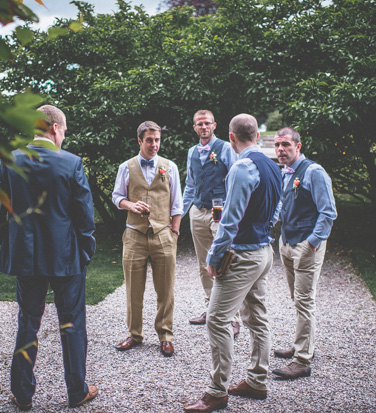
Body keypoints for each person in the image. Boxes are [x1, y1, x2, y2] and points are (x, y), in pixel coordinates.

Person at [0, 105, 98, 410]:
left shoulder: (9, 160)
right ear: (54, 128)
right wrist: (86, 251)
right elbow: (84, 217)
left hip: (26, 257)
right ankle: (77, 391)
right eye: (63, 130)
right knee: (73, 323)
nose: (63, 136)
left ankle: (22, 393)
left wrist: (7, 243)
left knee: (28, 322)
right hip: (66, 257)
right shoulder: (71, 163)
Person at [184, 114, 281, 412]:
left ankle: (217, 392)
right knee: (257, 317)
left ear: (231, 136)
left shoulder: (242, 167)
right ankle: (256, 380)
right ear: (255, 134)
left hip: (242, 255)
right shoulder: (272, 164)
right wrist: (262, 226)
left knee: (216, 319)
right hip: (264, 250)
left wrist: (214, 257)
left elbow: (230, 222)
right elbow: (277, 208)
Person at [112, 120, 183, 357]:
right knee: (133, 289)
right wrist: (130, 204)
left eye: (158, 140)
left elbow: (177, 204)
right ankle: (135, 334)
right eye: (150, 140)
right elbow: (117, 196)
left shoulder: (169, 166)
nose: (154, 145)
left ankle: (165, 335)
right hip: (134, 234)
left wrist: (174, 232)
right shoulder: (126, 167)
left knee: (166, 290)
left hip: (163, 234)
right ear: (140, 140)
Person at [271, 126, 337, 380]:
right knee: (297, 298)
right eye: (277, 145)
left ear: (298, 146)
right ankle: (302, 344)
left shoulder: (314, 172)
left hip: (305, 245)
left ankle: (302, 360)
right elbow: (281, 206)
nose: (280, 149)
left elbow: (328, 212)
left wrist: (312, 242)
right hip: (286, 243)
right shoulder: (284, 172)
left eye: (286, 145)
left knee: (305, 299)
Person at [182, 110, 241, 336]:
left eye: (207, 123)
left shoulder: (225, 148)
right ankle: (210, 309)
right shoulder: (191, 152)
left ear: (214, 125)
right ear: (195, 128)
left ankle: (232, 317)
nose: (204, 127)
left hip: (220, 212)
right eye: (200, 124)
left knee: (224, 262)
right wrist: (179, 213)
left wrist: (232, 209)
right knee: (202, 263)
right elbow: (190, 185)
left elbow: (235, 178)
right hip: (198, 211)